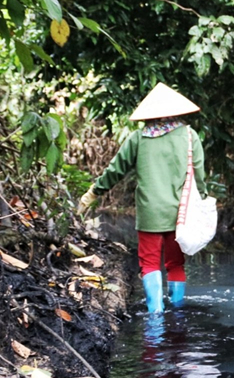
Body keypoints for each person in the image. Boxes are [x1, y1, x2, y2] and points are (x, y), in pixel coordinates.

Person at [77, 83, 207, 313]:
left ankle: (155, 315)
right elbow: (199, 176)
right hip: (181, 214)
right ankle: (177, 313)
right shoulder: (190, 136)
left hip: (150, 214)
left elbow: (115, 170)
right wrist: (203, 199)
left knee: (149, 264)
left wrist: (93, 193)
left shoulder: (138, 138)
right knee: (176, 263)